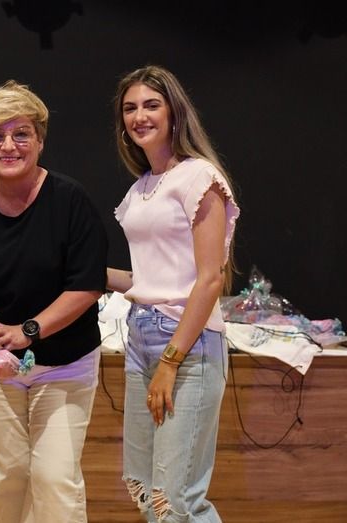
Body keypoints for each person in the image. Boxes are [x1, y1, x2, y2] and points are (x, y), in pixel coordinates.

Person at [0, 80, 108, 523]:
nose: (8, 146)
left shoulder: (71, 201)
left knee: (54, 479)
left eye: (21, 134)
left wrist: (27, 331)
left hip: (64, 365)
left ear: (40, 140)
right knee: (4, 478)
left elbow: (87, 285)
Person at [107, 65, 240, 522]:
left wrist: (170, 361)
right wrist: (85, 273)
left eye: (151, 105)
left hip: (186, 343)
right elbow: (147, 280)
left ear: (174, 113)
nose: (139, 116)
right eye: (130, 108)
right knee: (144, 487)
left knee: (176, 497)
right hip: (141, 337)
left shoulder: (199, 176)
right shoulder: (142, 187)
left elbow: (209, 279)